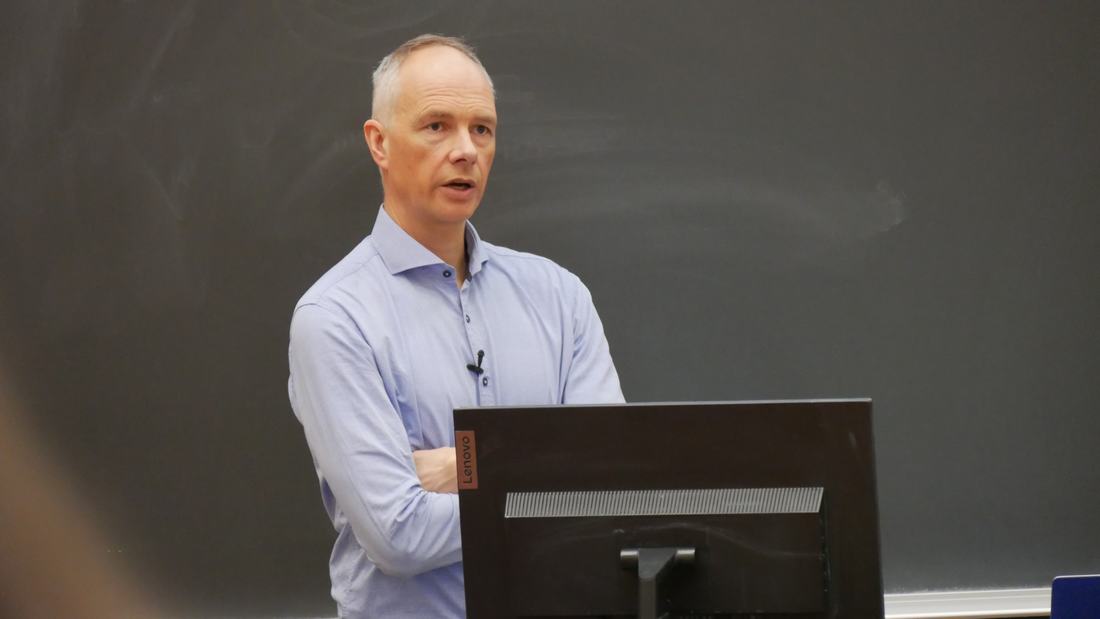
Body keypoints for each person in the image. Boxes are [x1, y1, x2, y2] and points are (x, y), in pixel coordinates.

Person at [287, 34, 624, 617]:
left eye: (482, 129)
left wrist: (461, 466)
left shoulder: (559, 296)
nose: (466, 150)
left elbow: (614, 487)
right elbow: (400, 536)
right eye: (437, 126)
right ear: (379, 143)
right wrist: (550, 479)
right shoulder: (335, 318)